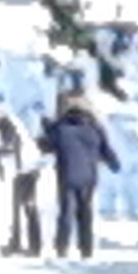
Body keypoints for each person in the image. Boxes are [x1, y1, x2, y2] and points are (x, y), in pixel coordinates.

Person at [40, 93, 113, 259]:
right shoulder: (95, 128)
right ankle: (86, 249)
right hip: (89, 176)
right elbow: (107, 153)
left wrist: (46, 127)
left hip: (67, 174)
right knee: (85, 212)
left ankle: (62, 248)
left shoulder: (60, 127)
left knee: (66, 212)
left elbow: (46, 146)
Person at [0, 104, 43, 256]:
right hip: (28, 168)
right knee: (20, 208)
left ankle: (29, 245)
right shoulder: (12, 124)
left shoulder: (7, 125)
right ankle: (21, 243)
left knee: (25, 207)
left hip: (25, 170)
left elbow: (10, 147)